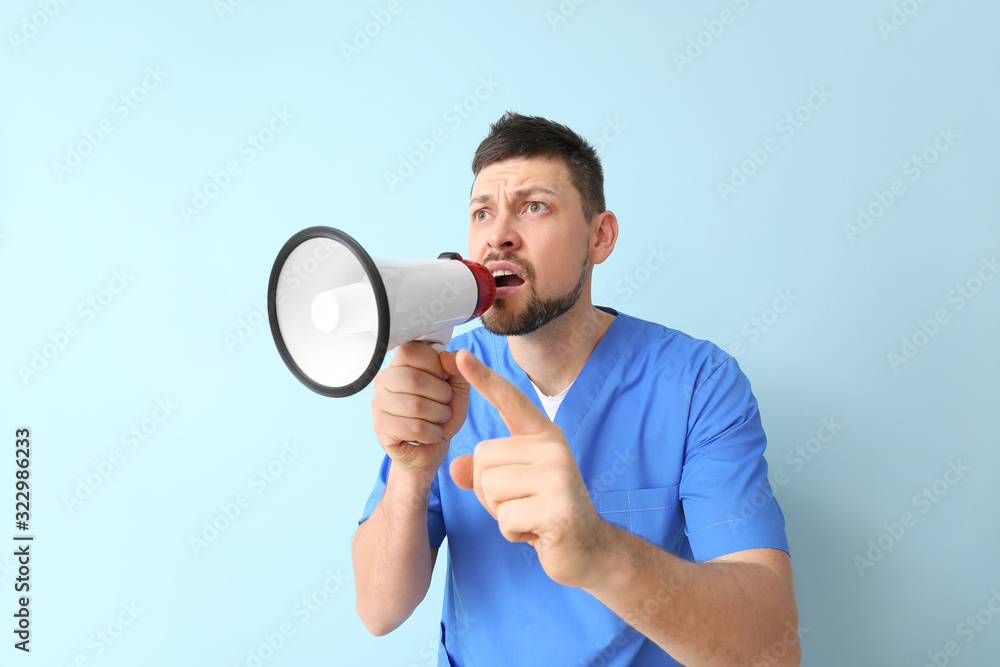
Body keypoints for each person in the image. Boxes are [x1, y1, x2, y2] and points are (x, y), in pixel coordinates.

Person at [352, 112, 800, 666]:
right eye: (481, 212)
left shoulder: (698, 385)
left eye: (534, 206)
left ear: (600, 236)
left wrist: (596, 549)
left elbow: (770, 650)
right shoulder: (445, 376)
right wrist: (411, 472)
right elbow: (377, 611)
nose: (498, 234)